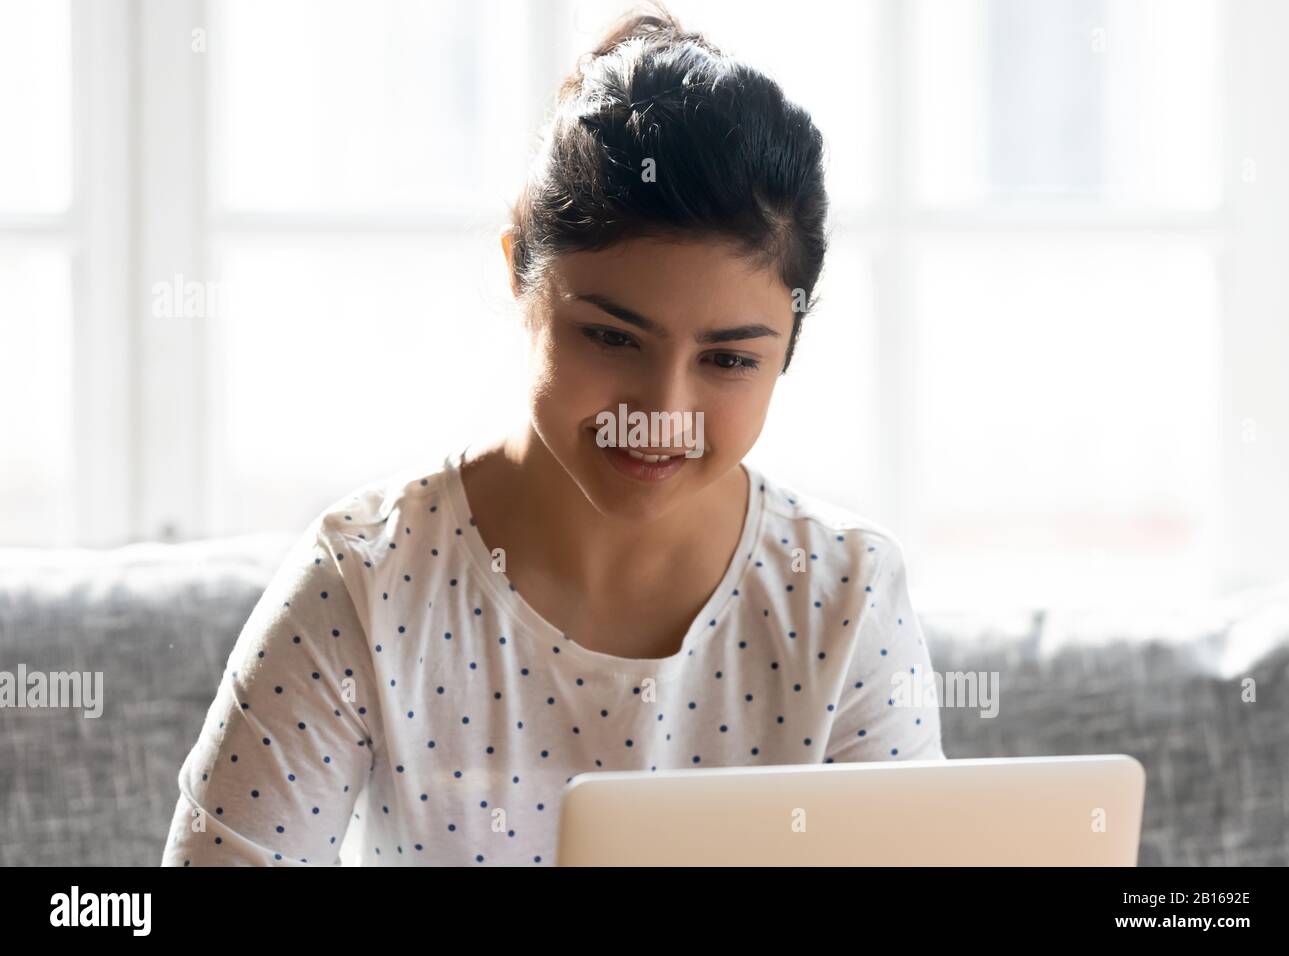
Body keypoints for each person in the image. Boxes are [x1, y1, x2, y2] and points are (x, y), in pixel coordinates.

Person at [161, 3, 943, 867]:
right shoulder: (365, 583)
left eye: (726, 361)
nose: (661, 409)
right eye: (611, 338)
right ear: (517, 274)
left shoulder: (845, 597)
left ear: (789, 344)